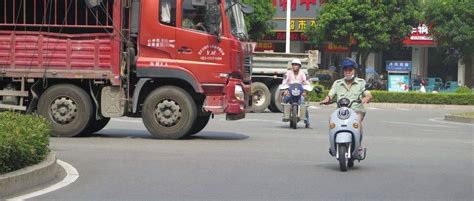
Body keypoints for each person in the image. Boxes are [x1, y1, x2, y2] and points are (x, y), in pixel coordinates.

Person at [320, 58, 372, 148]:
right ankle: (333, 143)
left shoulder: (361, 82)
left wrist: (366, 98)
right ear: (343, 71)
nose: (348, 72)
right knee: (331, 118)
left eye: (350, 70)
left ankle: (358, 145)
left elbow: (368, 94)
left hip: (356, 110)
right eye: (345, 70)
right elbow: (330, 95)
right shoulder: (337, 83)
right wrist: (326, 99)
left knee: (357, 121)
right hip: (341, 111)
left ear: (354, 71)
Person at [282, 59, 311, 128]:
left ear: (299, 66)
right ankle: (285, 115)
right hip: (290, 93)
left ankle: (307, 122)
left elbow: (306, 81)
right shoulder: (288, 73)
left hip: (299, 94)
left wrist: (307, 87)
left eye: (296, 65)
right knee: (285, 99)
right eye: (293, 65)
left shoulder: (302, 73)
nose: (295, 66)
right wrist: (285, 90)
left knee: (303, 102)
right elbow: (284, 81)